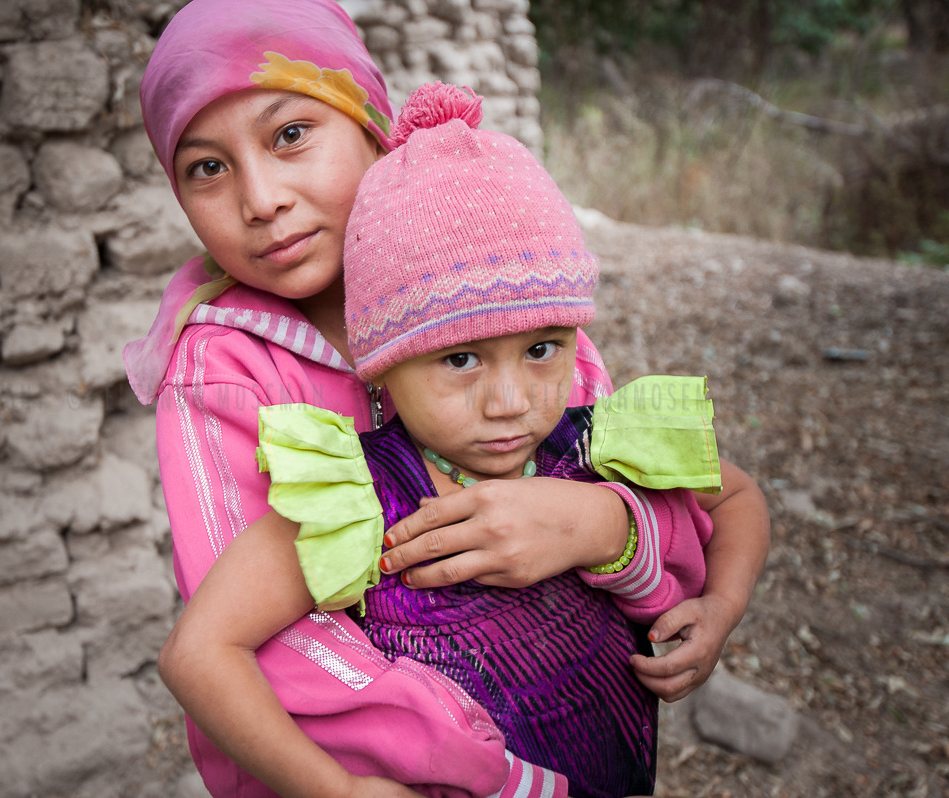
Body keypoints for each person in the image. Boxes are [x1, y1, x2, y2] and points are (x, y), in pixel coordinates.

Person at [123, 1, 770, 795]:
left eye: (290, 134)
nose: (261, 198)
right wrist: (480, 766)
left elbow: (668, 493)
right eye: (206, 167)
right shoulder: (224, 375)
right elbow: (258, 646)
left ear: (369, 122)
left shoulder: (494, 282)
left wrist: (598, 522)